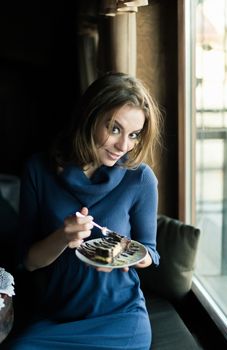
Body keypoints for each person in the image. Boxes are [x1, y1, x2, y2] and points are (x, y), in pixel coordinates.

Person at [7, 72, 162, 350]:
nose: (124, 146)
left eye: (134, 135)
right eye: (114, 129)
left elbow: (151, 252)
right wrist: (63, 237)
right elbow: (27, 261)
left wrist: (131, 256)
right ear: (89, 116)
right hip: (57, 317)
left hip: (121, 319)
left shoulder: (140, 178)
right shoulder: (38, 170)